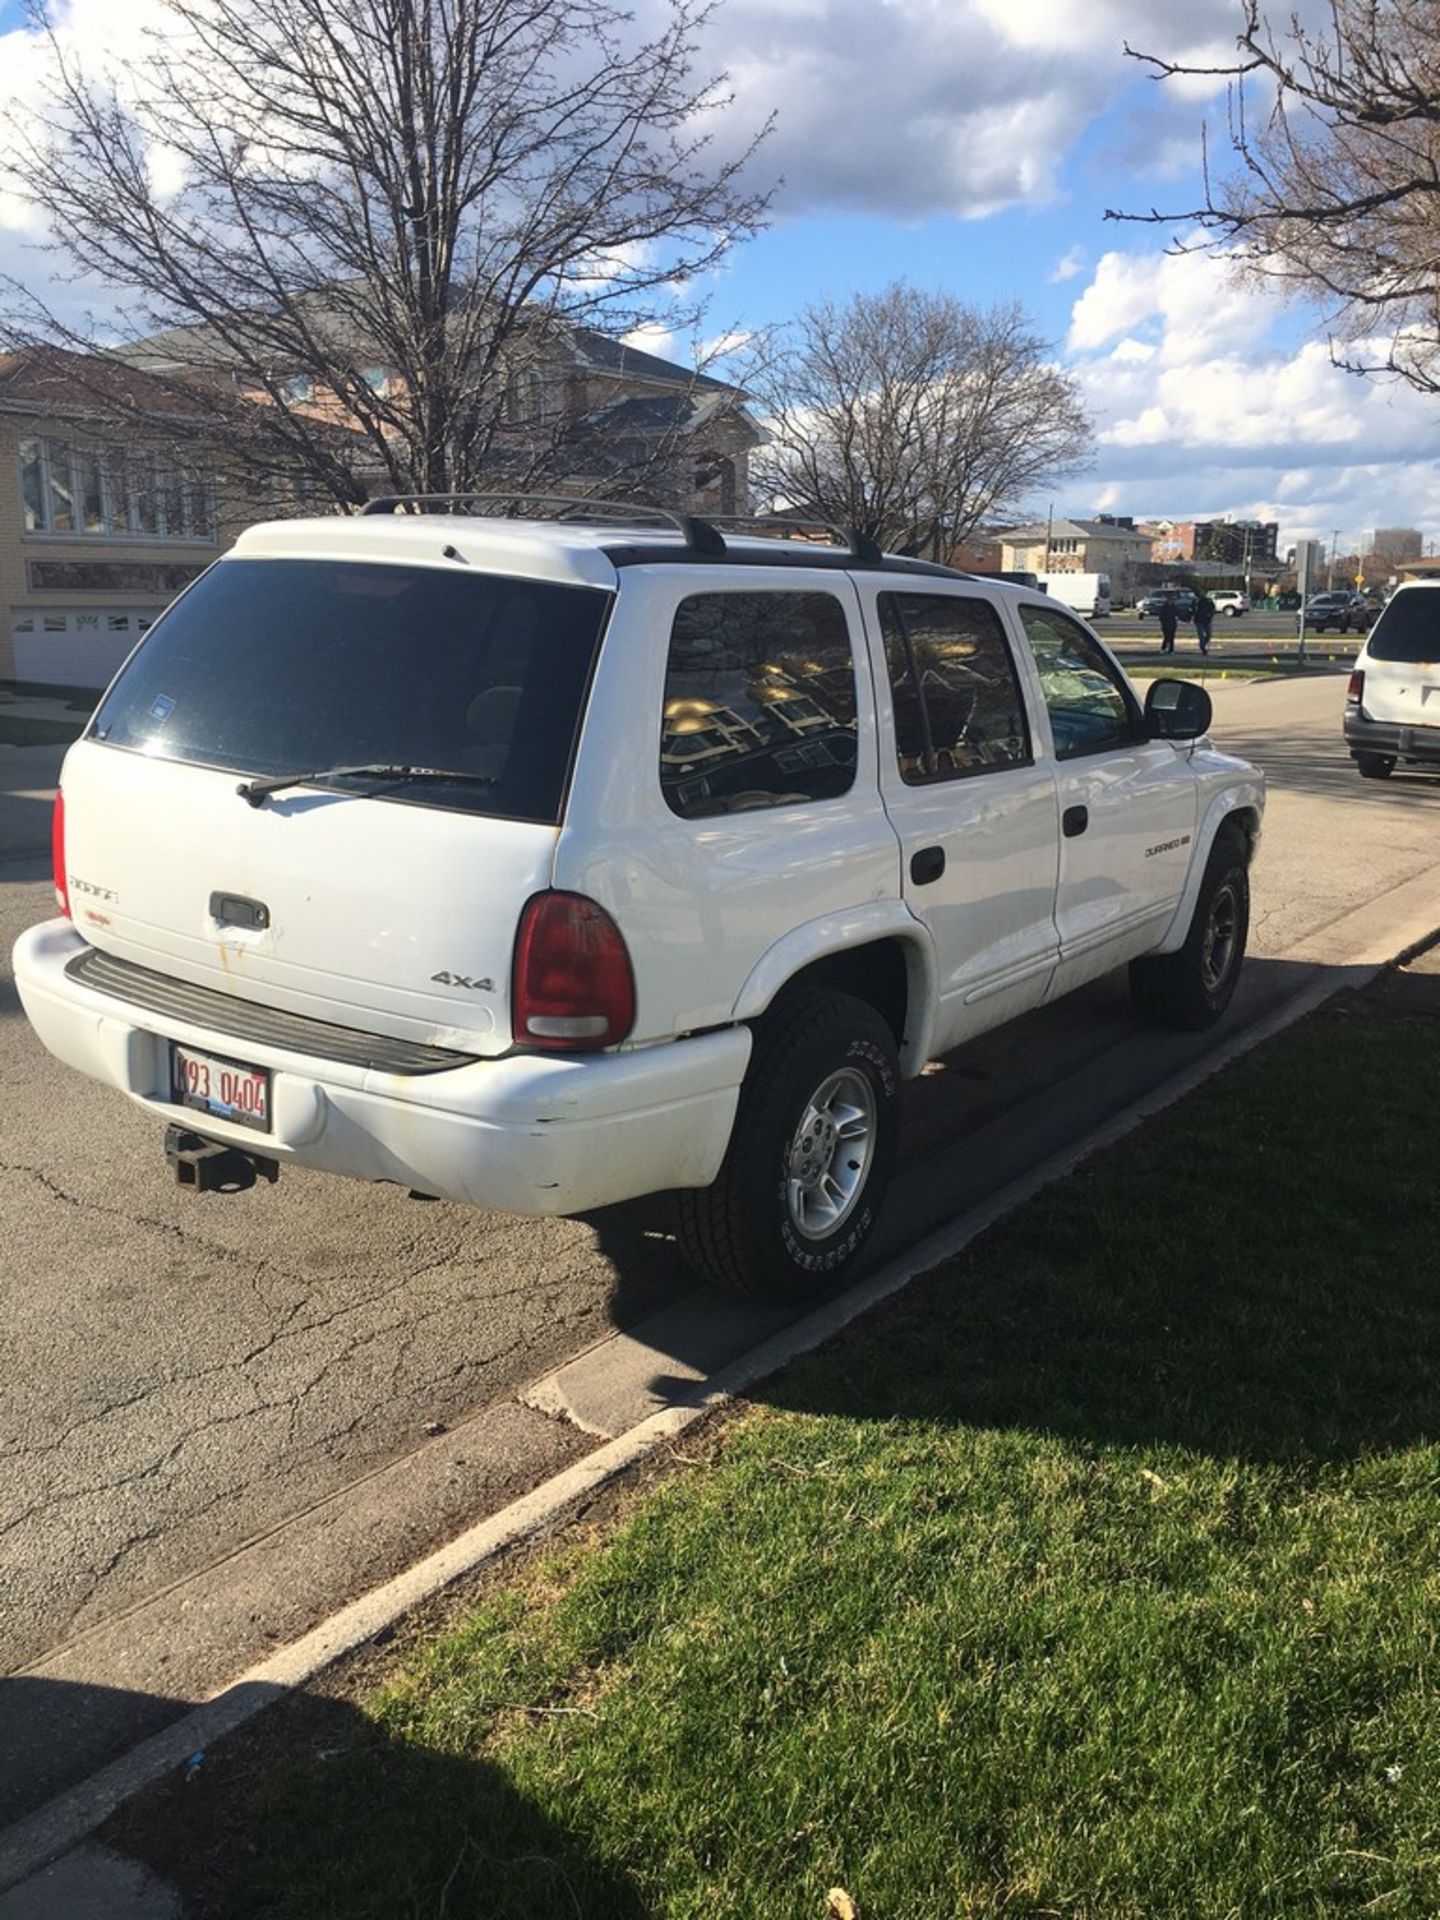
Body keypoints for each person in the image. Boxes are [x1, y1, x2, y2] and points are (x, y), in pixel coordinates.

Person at [1193, 589, 1215, 656]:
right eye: (1201, 593)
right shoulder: (1196, 601)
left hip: (1207, 621)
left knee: (1208, 634)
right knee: (1201, 636)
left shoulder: (1209, 601)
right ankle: (1203, 649)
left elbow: (1213, 608)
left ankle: (1203, 644)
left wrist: (1210, 614)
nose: (1202, 594)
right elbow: (1192, 609)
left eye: (1203, 593)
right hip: (1199, 621)